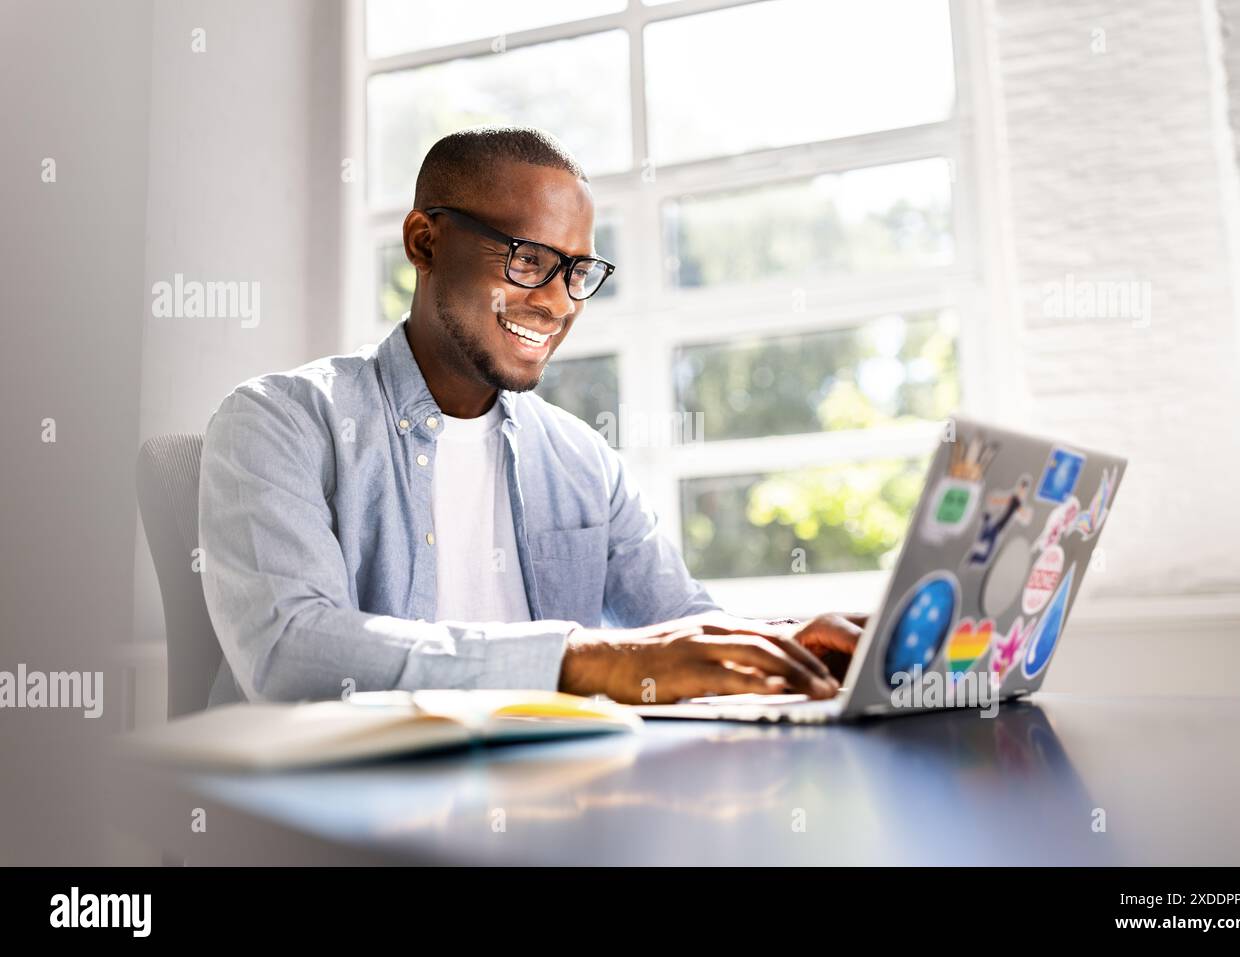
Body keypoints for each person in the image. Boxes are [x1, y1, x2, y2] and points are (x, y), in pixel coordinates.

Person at [198, 125, 864, 708]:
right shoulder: (277, 421)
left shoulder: (582, 460)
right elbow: (290, 652)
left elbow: (681, 623)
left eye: (576, 271)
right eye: (528, 260)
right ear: (424, 244)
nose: (557, 303)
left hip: (556, 805)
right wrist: (579, 660)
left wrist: (783, 647)